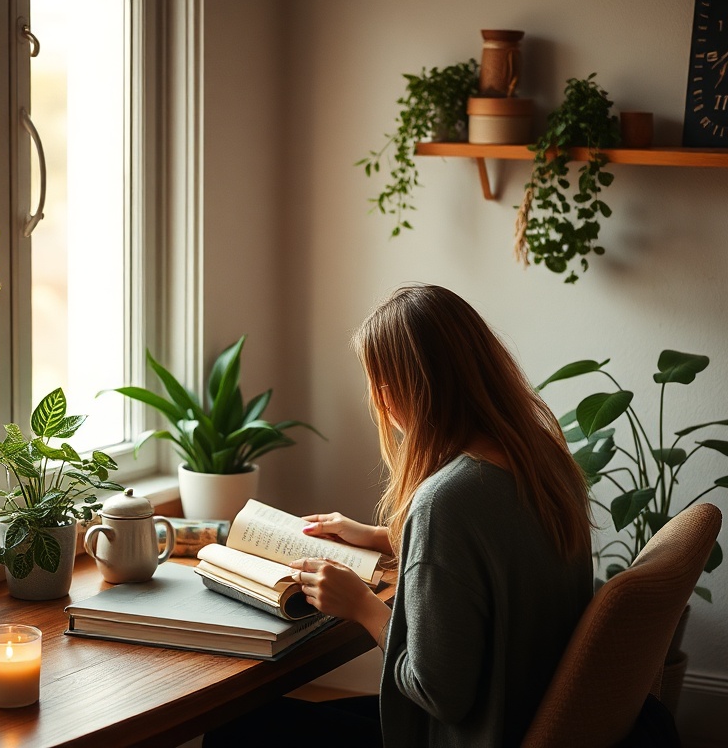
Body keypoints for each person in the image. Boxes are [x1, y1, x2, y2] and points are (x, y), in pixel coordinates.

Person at [203, 284, 593, 748]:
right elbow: (498, 559)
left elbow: (439, 693)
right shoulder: (541, 458)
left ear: (391, 395)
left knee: (236, 730)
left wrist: (361, 607)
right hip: (519, 714)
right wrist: (385, 537)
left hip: (464, 734)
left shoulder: (447, 500)